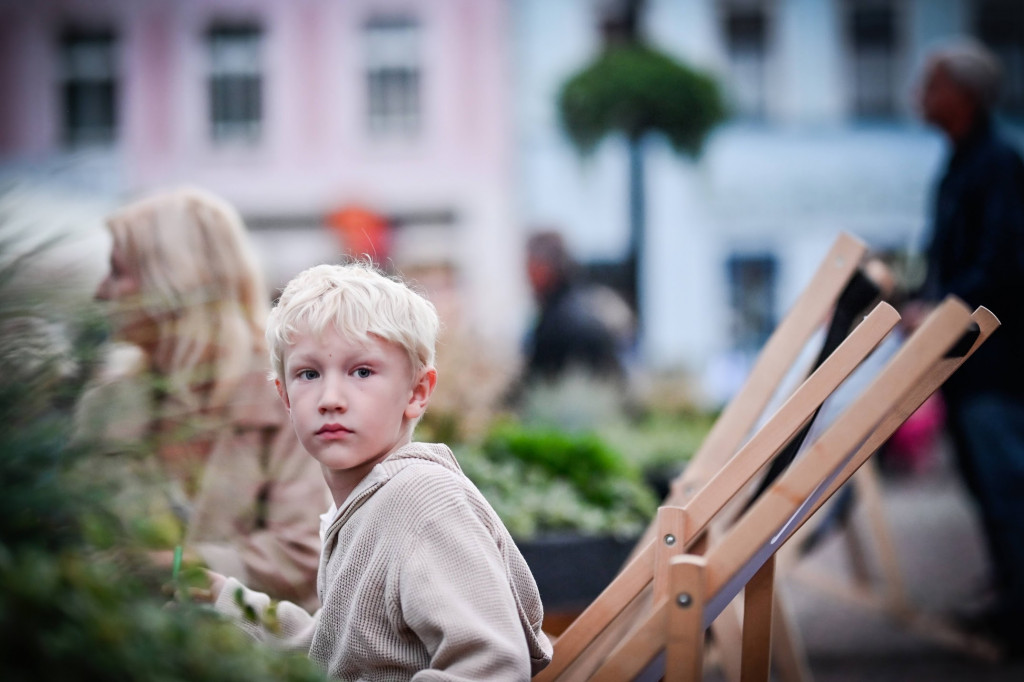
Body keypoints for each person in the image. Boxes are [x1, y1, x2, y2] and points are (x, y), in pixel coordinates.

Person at [199, 262, 553, 680]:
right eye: (308, 374)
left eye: (362, 371)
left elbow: (492, 666)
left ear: (417, 393)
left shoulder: (421, 500)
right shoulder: (367, 504)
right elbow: (336, 657)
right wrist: (223, 598)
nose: (330, 398)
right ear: (285, 396)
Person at [74, 187, 329, 611]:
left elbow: (304, 555)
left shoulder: (292, 396)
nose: (101, 292)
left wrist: (169, 566)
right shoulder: (103, 406)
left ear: (173, 279)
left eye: (118, 272)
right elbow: (72, 546)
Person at [906, 39, 1024, 656]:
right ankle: (1010, 600)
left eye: (931, 84)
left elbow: (1004, 263)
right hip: (973, 365)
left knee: (1006, 487)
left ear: (965, 95)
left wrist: (941, 306)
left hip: (998, 367)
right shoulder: (961, 163)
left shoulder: (995, 164)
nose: (919, 96)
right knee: (989, 487)